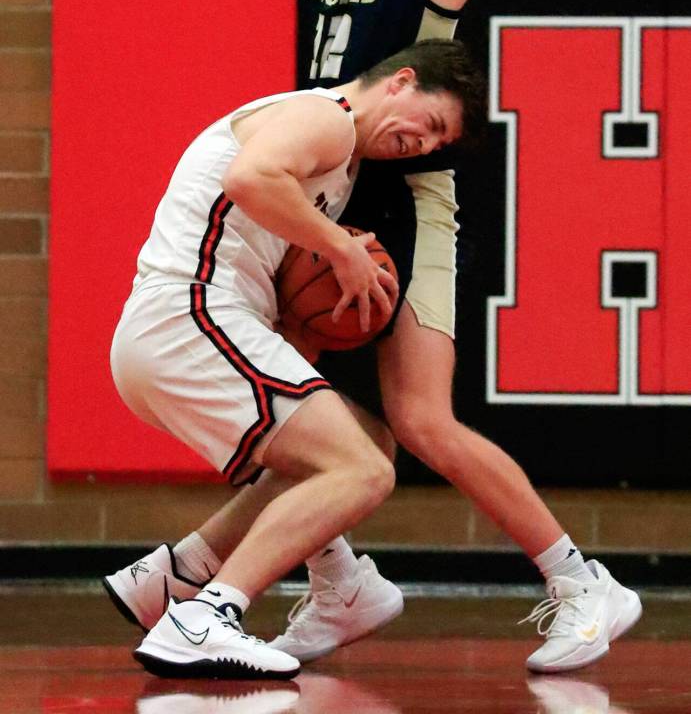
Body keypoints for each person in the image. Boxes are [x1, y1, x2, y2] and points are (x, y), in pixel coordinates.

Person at [106, 0, 642, 676]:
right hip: (326, 190)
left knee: (418, 422)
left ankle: (580, 580)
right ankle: (310, 581)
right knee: (302, 422)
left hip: (413, 199)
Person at [107, 39, 482, 679]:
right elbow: (248, 178)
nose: (423, 146)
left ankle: (188, 574)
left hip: (185, 329)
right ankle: (204, 616)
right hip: (189, 313)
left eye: (435, 147)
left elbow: (283, 298)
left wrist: (330, 296)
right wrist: (342, 250)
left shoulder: (335, 172)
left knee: (363, 443)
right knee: (361, 470)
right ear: (403, 82)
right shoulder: (328, 117)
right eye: (432, 124)